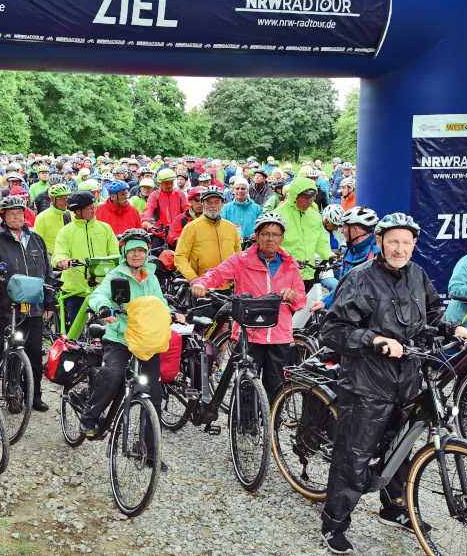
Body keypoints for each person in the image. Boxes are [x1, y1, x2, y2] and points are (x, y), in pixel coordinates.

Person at [318, 213, 467, 553]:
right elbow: (333, 330)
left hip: (408, 380)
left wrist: (457, 328)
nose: (400, 248)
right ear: (379, 242)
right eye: (393, 241)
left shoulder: (418, 276)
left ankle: (393, 509)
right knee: (354, 456)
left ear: (414, 245)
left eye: (406, 242)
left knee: (401, 449)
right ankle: (333, 524)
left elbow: (433, 314)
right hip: (366, 384)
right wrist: (373, 339)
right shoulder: (360, 278)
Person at [80, 229, 179, 466]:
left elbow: (160, 302)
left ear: (146, 253)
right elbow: (98, 295)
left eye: (142, 250)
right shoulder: (116, 275)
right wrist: (104, 307)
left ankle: (150, 453)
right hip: (121, 338)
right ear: (125, 252)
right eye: (133, 250)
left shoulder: (151, 277)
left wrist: (172, 313)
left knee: (153, 396)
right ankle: (91, 415)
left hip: (146, 341)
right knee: (112, 375)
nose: (137, 254)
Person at [191, 212, 306, 400]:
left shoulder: (290, 264)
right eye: (266, 234)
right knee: (246, 389)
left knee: (277, 389)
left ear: (282, 238)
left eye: (275, 234)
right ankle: (246, 428)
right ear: (257, 236)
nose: (271, 239)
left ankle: (272, 427)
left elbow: (301, 299)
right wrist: (201, 283)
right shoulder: (242, 260)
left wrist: (293, 296)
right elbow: (218, 274)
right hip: (249, 334)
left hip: (279, 336)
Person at [0, 196, 53, 412]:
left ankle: (35, 395)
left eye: (19, 213)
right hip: (8, 306)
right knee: (11, 353)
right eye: (11, 214)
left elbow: (47, 272)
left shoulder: (37, 239)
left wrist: (50, 302)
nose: (16, 218)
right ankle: (13, 393)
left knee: (35, 355)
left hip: (35, 307)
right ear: (3, 217)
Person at [52, 192, 120, 328]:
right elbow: (59, 254)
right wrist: (62, 261)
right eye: (89, 208)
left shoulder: (105, 228)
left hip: (102, 288)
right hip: (76, 288)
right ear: (78, 211)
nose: (93, 211)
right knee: (77, 335)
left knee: (107, 329)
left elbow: (115, 255)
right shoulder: (66, 232)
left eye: (94, 207)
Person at [274, 176, 333, 292]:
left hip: (309, 274)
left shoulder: (315, 216)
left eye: (311, 198)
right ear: (294, 196)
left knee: (308, 308)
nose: (309, 202)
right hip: (284, 274)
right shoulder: (277, 215)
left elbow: (321, 242)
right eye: (305, 198)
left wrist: (330, 256)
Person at [174, 189, 241, 282]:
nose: (213, 206)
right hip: (202, 286)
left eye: (217, 202)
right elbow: (180, 256)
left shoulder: (231, 227)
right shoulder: (191, 227)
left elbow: (239, 257)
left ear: (222, 204)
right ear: (203, 204)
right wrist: (193, 278)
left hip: (228, 285)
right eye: (208, 202)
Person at [140, 169, 184, 237]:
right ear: (160, 183)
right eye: (166, 183)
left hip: (178, 232)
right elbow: (149, 208)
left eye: (171, 183)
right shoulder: (155, 195)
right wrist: (146, 221)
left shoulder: (180, 194)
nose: (169, 185)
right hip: (160, 232)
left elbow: (187, 209)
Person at [33, 184, 72, 257]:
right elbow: (36, 243)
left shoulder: (71, 215)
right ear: (52, 199)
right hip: (51, 262)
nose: (66, 202)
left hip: (69, 261)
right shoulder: (42, 217)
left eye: (67, 198)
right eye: (62, 199)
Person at [222, 178, 263, 242]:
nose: (240, 191)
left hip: (250, 245)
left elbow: (262, 228)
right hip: (231, 244)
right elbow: (222, 226)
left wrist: (258, 235)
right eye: (237, 188)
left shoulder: (257, 209)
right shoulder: (227, 208)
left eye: (243, 188)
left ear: (247, 191)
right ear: (233, 190)